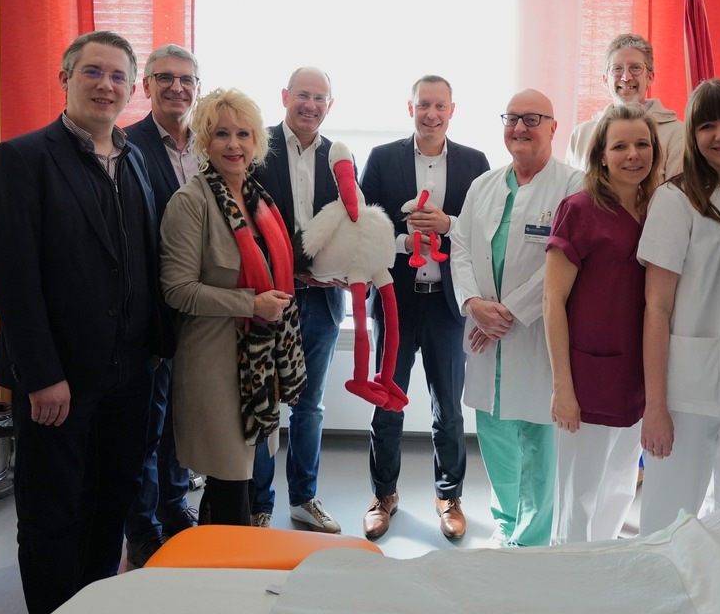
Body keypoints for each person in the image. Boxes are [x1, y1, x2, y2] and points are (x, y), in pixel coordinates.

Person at [0, 31, 161, 614]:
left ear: (131, 89)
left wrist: (155, 350)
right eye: (92, 72)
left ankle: (93, 602)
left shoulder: (135, 159)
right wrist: (41, 375)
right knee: (51, 512)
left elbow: (141, 261)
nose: (106, 85)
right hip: (58, 379)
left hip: (128, 376)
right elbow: (12, 280)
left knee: (111, 501)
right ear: (65, 79)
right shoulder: (21, 158)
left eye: (117, 76)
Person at [160, 88, 305, 527]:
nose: (233, 144)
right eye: (221, 134)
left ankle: (222, 557)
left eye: (243, 133)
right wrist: (251, 303)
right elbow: (177, 290)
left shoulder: (260, 199)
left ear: (257, 141)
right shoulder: (190, 202)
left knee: (239, 482)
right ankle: (221, 565)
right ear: (205, 141)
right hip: (215, 364)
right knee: (228, 481)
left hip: (260, 360)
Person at [358, 75, 490, 540]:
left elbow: (483, 231)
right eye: (423, 105)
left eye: (439, 106)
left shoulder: (475, 162)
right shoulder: (382, 158)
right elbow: (363, 227)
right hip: (395, 301)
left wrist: (448, 224)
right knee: (386, 404)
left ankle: (449, 497)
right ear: (409, 108)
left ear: (452, 110)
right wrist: (403, 240)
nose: (431, 114)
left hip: (447, 305)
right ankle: (383, 495)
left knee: (448, 408)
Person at [450, 89, 583, 547]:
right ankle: (506, 524)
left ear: (553, 127)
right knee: (494, 432)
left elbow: (564, 260)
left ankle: (533, 538)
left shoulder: (573, 186)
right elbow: (460, 246)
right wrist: (473, 304)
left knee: (537, 437)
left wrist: (508, 314)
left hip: (536, 333)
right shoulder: (484, 185)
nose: (520, 127)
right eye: (512, 118)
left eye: (532, 119)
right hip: (484, 330)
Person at [636, 80, 720, 536]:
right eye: (707, 126)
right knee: (666, 522)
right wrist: (656, 406)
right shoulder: (676, 200)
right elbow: (656, 308)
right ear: (692, 136)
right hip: (685, 389)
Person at [544, 102, 660, 544]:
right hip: (588, 376)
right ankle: (571, 573)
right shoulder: (579, 209)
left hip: (637, 375)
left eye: (642, 144)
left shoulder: (659, 209)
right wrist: (562, 387)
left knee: (621, 486)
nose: (633, 155)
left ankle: (604, 564)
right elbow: (552, 301)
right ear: (601, 155)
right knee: (579, 495)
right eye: (620, 146)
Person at [250, 67, 347, 532]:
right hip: (272, 298)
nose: (311, 105)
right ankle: (259, 504)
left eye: (319, 98)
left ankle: (303, 499)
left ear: (330, 105)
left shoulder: (339, 156)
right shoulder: (257, 146)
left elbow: (350, 221)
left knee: (310, 406)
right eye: (303, 95)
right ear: (285, 96)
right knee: (265, 403)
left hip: (324, 303)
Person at [123, 44, 202, 566]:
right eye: (165, 78)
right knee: (146, 428)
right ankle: (144, 529)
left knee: (182, 422)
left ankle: (175, 511)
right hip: (151, 313)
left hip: (201, 314)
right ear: (146, 85)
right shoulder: (126, 145)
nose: (177, 87)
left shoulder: (210, 147)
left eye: (186, 79)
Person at [566, 33, 684, 180]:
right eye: (617, 68)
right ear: (605, 79)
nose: (626, 77)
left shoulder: (678, 133)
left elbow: (677, 193)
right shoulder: (580, 135)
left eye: (635, 68)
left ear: (650, 77)